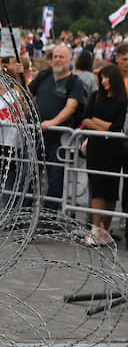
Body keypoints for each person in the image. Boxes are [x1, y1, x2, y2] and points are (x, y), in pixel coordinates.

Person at [28, 44, 87, 212]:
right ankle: (25, 212)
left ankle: (49, 217)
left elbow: (71, 107)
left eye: (61, 57)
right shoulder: (44, 75)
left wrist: (53, 122)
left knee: (56, 179)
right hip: (38, 135)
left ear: (70, 60)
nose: (58, 60)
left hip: (60, 138)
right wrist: (18, 76)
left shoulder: (75, 82)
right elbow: (27, 93)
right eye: (55, 56)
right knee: (30, 176)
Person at [81, 64, 127, 246]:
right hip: (96, 148)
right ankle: (96, 228)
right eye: (102, 77)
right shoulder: (95, 96)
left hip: (114, 150)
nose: (104, 80)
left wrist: (97, 122)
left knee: (111, 191)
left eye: (107, 77)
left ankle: (105, 229)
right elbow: (84, 119)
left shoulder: (123, 100)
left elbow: (118, 126)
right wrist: (104, 126)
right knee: (97, 188)